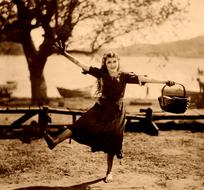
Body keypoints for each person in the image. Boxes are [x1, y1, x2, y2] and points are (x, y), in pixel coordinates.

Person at [44, 41, 175, 183]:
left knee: (113, 141)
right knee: (79, 125)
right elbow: (80, 64)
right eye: (109, 62)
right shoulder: (101, 73)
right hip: (100, 108)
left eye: (114, 61)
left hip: (116, 113)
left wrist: (164, 81)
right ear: (105, 64)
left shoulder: (124, 76)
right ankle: (54, 141)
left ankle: (109, 172)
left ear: (118, 62)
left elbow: (144, 78)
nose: (112, 64)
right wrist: (64, 54)